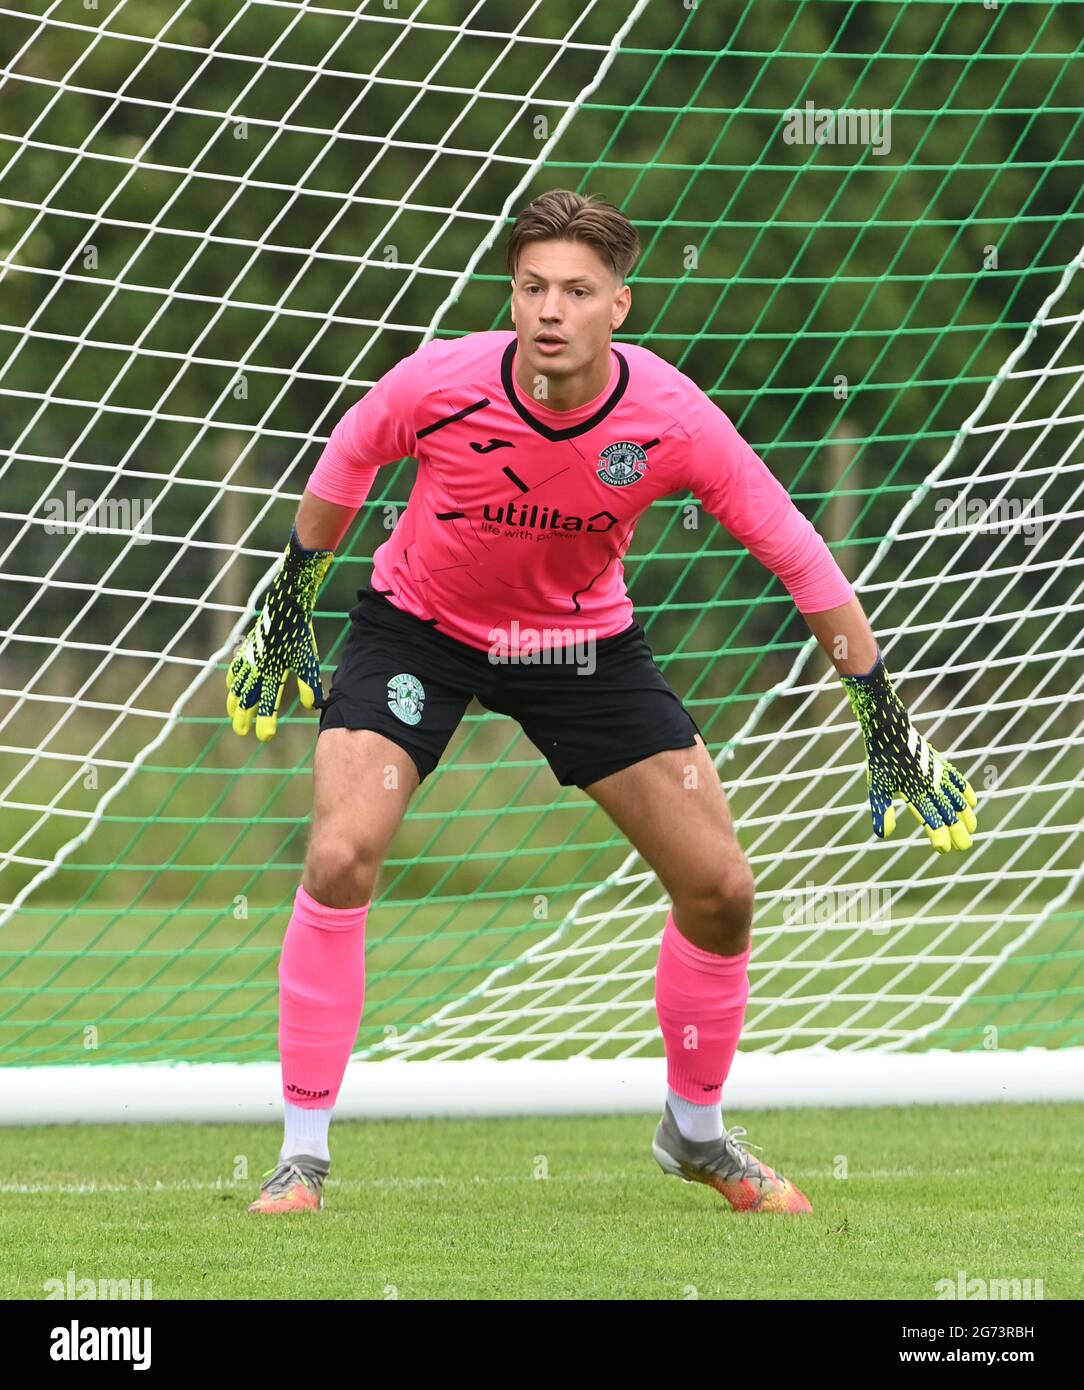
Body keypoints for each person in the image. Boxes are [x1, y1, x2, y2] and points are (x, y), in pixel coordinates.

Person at [225, 189, 978, 1216]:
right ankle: (300, 1159)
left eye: (577, 291)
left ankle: (697, 1134)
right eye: (532, 286)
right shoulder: (438, 380)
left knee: (721, 887)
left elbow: (800, 559)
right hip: (418, 632)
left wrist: (882, 716)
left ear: (618, 305)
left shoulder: (669, 416)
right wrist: (288, 608)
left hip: (581, 649)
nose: (549, 308)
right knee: (339, 852)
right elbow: (348, 462)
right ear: (512, 294)